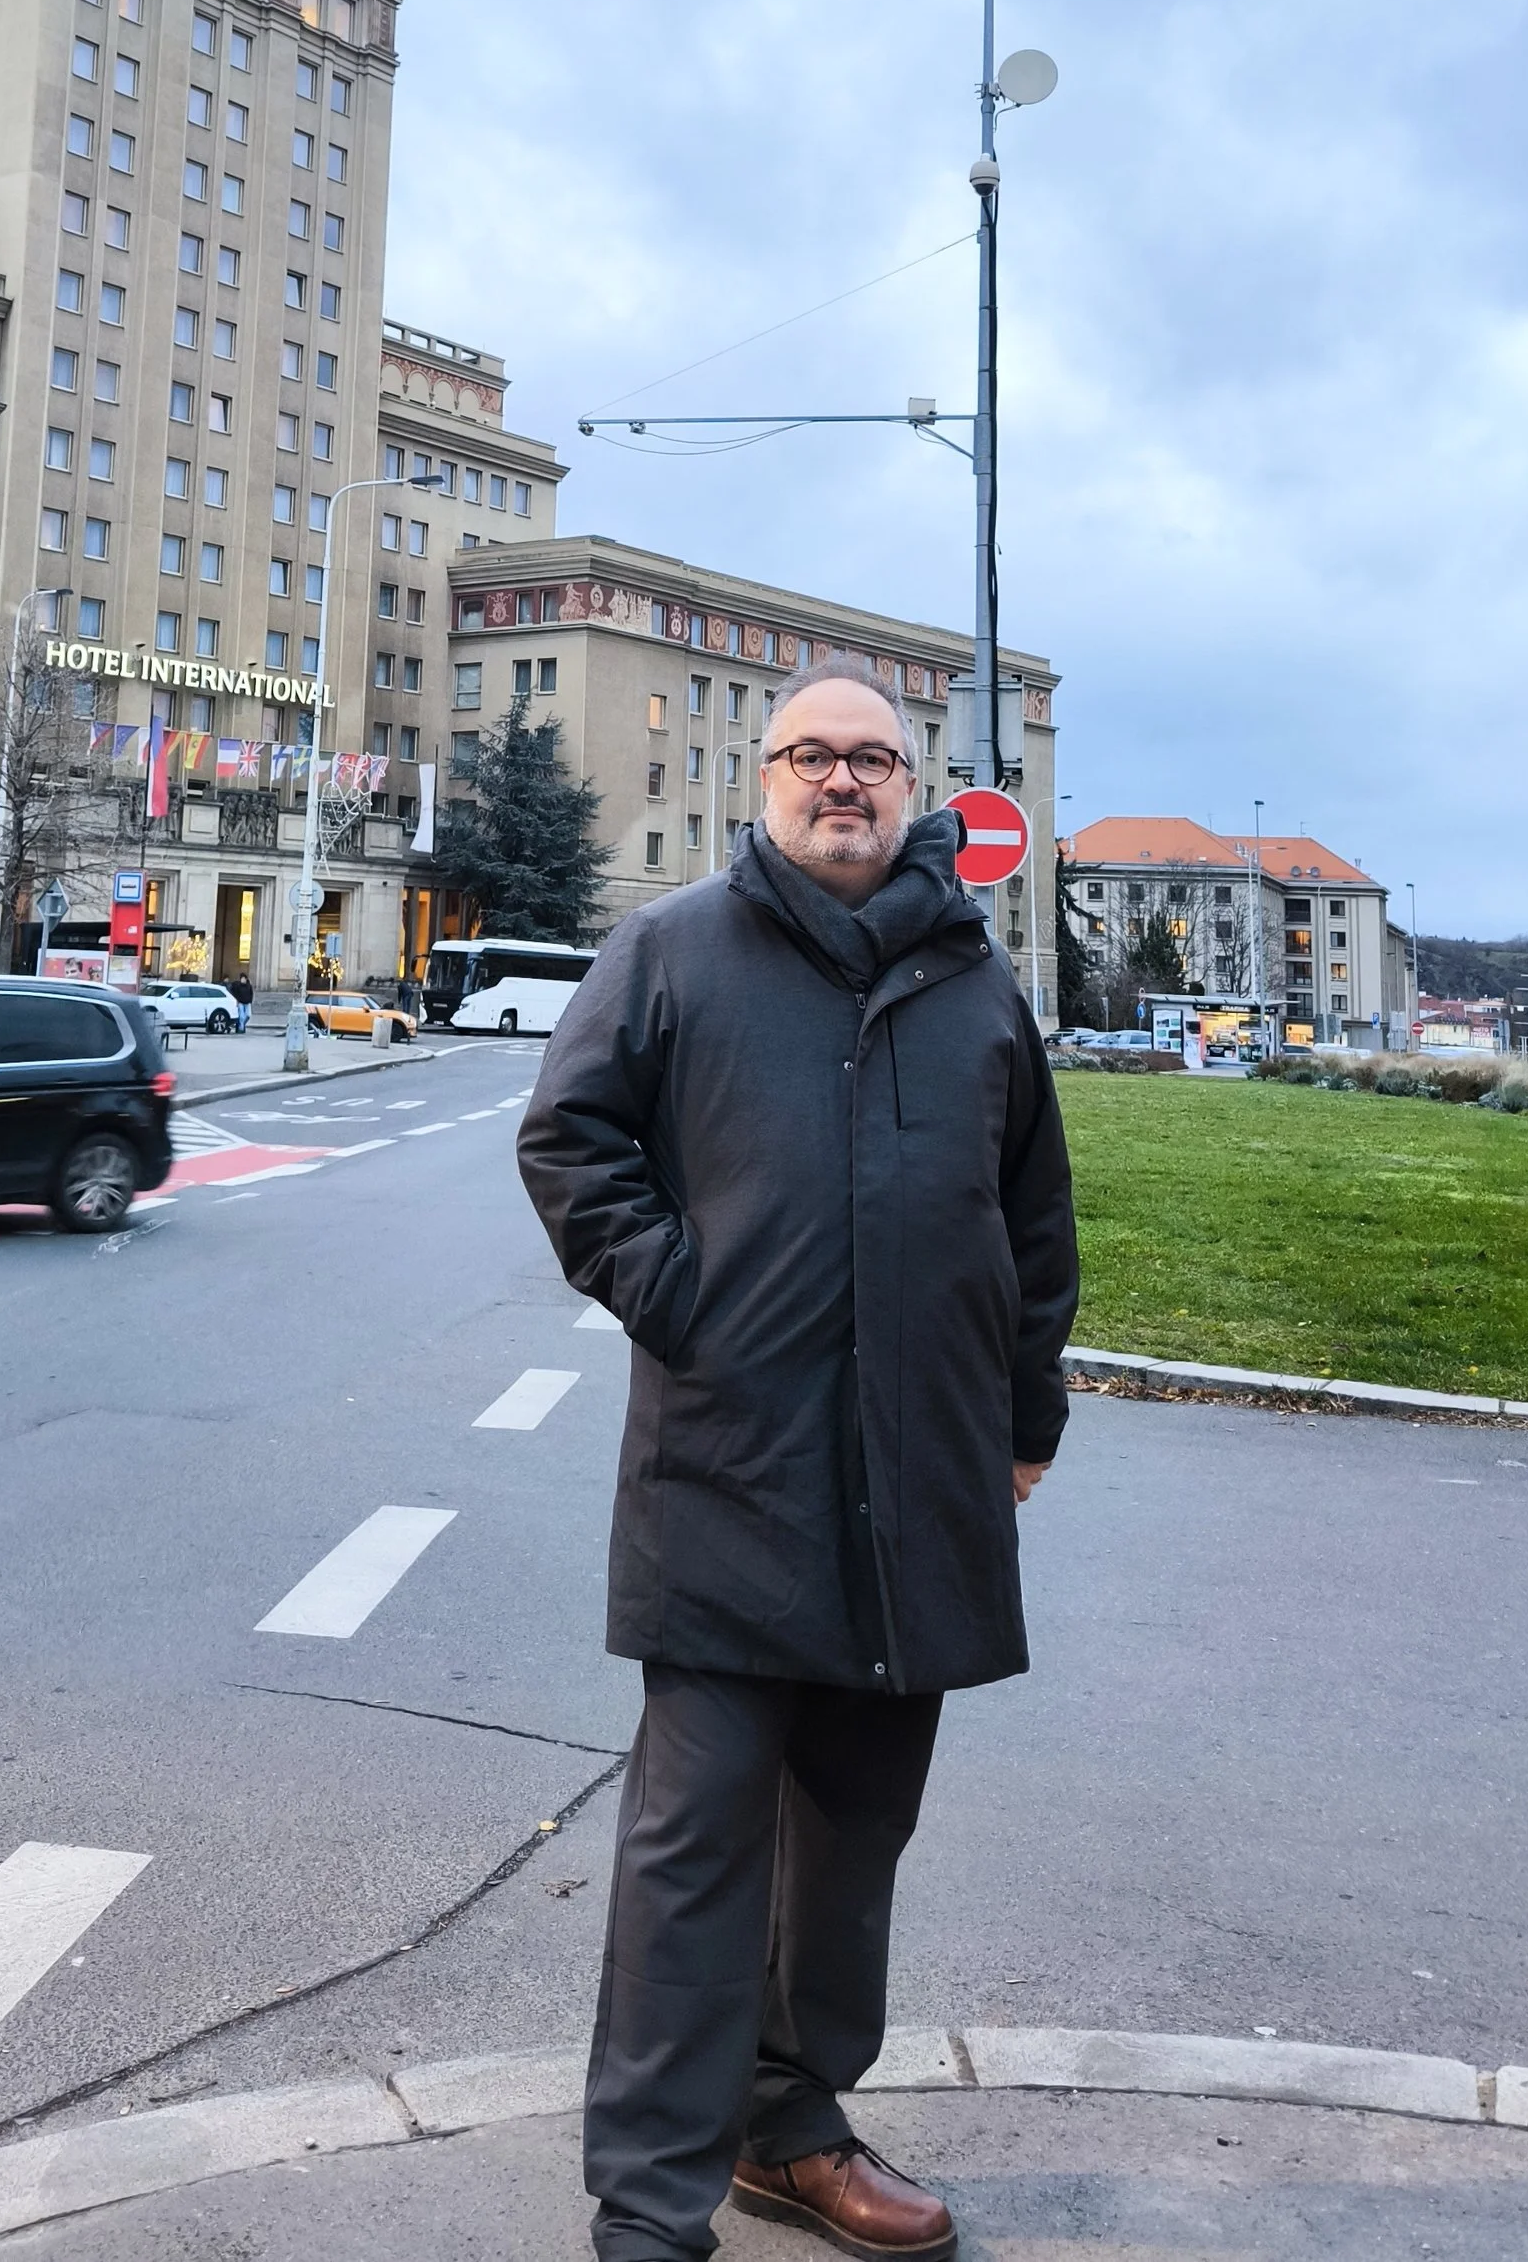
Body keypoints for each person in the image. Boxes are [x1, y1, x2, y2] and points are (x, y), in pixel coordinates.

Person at [517, 660, 1078, 2262]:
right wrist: (682, 1297)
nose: (844, 783)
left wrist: (1022, 1417)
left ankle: (791, 2125)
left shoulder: (973, 981)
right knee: (694, 1854)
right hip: (731, 1473)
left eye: (874, 762)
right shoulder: (676, 950)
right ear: (761, 780)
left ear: (917, 793)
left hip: (924, 1482)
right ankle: (649, 2209)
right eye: (812, 757)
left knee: (850, 1842)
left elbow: (1033, 1222)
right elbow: (570, 1140)